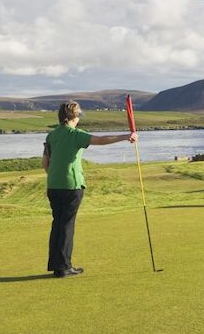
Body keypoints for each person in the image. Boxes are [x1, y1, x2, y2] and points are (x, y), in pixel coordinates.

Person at [42, 100, 137, 278]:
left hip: (53, 186)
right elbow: (100, 140)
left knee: (58, 224)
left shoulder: (51, 136)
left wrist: (55, 176)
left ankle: (57, 266)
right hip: (72, 185)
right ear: (75, 116)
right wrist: (125, 136)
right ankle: (64, 267)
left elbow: (45, 163)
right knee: (67, 225)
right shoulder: (75, 134)